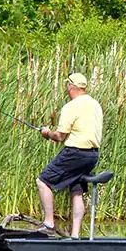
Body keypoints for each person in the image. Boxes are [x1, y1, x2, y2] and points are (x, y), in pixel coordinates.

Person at [37, 72, 103, 237]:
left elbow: (60, 136)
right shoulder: (95, 104)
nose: (67, 88)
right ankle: (75, 235)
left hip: (75, 153)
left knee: (43, 181)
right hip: (92, 155)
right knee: (76, 189)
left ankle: (49, 223)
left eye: (68, 85)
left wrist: (46, 133)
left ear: (72, 87)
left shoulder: (71, 106)